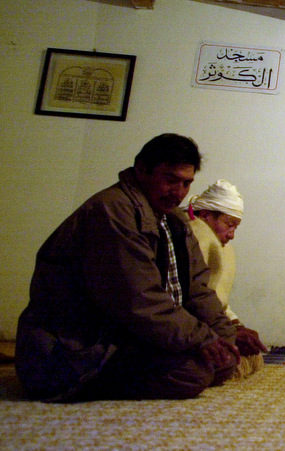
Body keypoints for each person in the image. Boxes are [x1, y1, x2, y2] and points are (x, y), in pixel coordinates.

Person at [15, 133, 240, 402]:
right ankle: (74, 383)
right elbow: (140, 299)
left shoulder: (175, 220)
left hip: (126, 335)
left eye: (186, 183)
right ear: (142, 170)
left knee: (224, 361)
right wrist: (202, 339)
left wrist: (225, 337)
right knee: (191, 372)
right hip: (75, 347)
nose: (178, 192)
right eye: (170, 180)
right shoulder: (112, 211)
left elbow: (197, 290)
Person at [179, 179, 268, 378]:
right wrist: (225, 332)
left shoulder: (218, 246)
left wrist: (235, 324)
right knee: (206, 368)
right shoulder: (197, 234)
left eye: (236, 227)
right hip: (182, 327)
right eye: (229, 224)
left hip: (202, 326)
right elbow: (190, 299)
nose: (232, 235)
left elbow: (214, 297)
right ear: (205, 215)